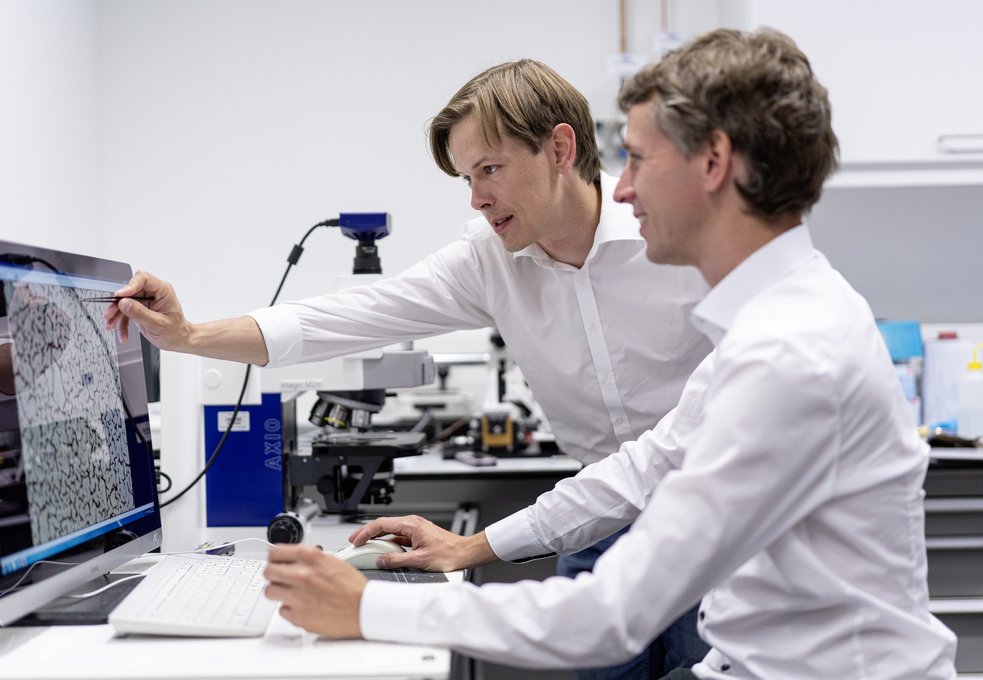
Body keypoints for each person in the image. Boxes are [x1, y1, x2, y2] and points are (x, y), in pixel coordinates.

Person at [260, 28, 959, 679]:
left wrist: (366, 608)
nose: (620, 188)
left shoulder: (789, 354)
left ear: (712, 162)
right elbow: (638, 469)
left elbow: (610, 614)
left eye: (639, 159)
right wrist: (475, 547)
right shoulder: (772, 320)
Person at [105, 60, 713, 676]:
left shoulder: (671, 236)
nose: (477, 198)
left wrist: (472, 546)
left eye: (490, 169)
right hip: (594, 526)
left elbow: (692, 441)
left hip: (719, 525)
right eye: (467, 177)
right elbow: (351, 315)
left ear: (559, 148)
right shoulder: (489, 260)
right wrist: (186, 336)